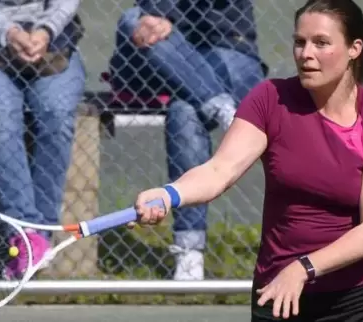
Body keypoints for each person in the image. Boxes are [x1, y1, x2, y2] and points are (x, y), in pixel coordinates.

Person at [130, 0, 363, 320]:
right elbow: (219, 170)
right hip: (279, 290)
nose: (306, 53)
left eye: (321, 43)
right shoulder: (270, 99)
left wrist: (303, 268)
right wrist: (169, 194)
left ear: (354, 48)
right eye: (300, 42)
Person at [109, 0, 266, 280]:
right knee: (132, 19)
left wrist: (166, 15)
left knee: (184, 110)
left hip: (228, 45)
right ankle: (220, 107)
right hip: (169, 50)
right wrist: (161, 19)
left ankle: (188, 249)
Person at [0, 0, 86, 279]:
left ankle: (43, 235)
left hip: (53, 46)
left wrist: (45, 31)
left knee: (56, 112)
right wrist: (11, 33)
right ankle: (25, 234)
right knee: (2, 113)